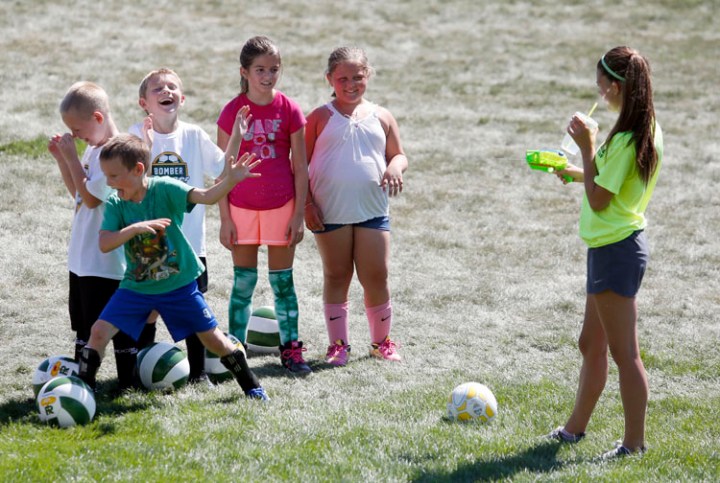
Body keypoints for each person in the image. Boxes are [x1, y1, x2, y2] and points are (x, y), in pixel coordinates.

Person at [77, 130, 269, 401]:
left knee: (213, 339)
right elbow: (105, 243)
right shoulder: (116, 203)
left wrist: (231, 179)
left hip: (178, 285)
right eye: (106, 175)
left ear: (138, 169)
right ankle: (84, 388)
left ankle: (252, 386)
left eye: (114, 176)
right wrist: (135, 228)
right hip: (136, 287)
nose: (109, 182)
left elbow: (207, 196)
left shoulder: (165, 188)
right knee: (98, 332)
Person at [547, 46, 663, 459]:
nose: (598, 90)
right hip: (609, 247)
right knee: (589, 343)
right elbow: (610, 185)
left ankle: (634, 444)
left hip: (617, 250)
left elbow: (599, 201)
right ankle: (573, 430)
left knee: (624, 354)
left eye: (601, 83)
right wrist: (578, 172)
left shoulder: (629, 138)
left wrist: (585, 146)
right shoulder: (643, 126)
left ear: (615, 86)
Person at [304, 47, 408, 366]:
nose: (351, 84)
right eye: (343, 78)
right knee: (337, 275)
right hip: (330, 210)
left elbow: (399, 155)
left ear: (368, 76)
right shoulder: (320, 117)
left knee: (377, 275)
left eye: (358, 77)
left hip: (373, 210)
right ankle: (338, 345)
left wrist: (395, 167)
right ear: (329, 80)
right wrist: (307, 204)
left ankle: (381, 342)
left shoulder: (382, 116)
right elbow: (301, 163)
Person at [216, 36, 311, 375]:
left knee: (283, 283)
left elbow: (300, 167)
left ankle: (291, 350)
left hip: (281, 206)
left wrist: (298, 214)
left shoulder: (289, 109)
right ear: (244, 71)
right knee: (243, 283)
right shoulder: (231, 110)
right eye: (260, 70)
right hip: (241, 208)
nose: (268, 76)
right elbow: (222, 169)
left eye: (274, 69)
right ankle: (234, 351)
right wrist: (224, 218)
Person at [128, 68, 229, 385]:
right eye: (158, 88)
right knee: (147, 310)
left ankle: (199, 373)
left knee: (192, 309)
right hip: (148, 245)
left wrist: (238, 134)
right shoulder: (134, 135)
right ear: (144, 102)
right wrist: (143, 144)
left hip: (189, 246)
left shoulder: (194, 135)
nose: (166, 91)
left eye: (172, 87)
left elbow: (222, 167)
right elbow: (129, 182)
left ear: (182, 98)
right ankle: (141, 370)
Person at [48, 81, 141, 392]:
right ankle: (82, 380)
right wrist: (64, 161)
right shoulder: (93, 147)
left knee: (117, 325)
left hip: (106, 261)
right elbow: (79, 194)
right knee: (83, 324)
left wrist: (73, 158)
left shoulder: (114, 154)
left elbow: (92, 198)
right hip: (83, 257)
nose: (75, 135)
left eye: (77, 128)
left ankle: (127, 382)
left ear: (98, 118)